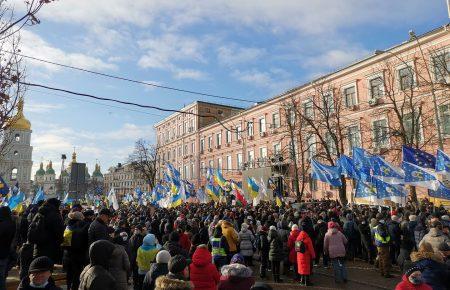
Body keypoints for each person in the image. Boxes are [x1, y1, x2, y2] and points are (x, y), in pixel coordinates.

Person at [61, 210, 87, 290]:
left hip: (67, 254)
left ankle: (69, 287)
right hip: (77, 255)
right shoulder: (80, 227)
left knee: (69, 275)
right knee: (77, 276)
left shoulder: (67, 225)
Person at [0, 206, 16, 290]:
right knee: (2, 275)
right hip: (6, 252)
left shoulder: (2, 224)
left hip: (1, 252)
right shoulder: (12, 223)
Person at [129, 224, 146, 290]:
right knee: (139, 274)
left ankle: (135, 286)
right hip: (138, 258)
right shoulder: (141, 238)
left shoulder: (131, 237)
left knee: (135, 274)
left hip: (133, 258)